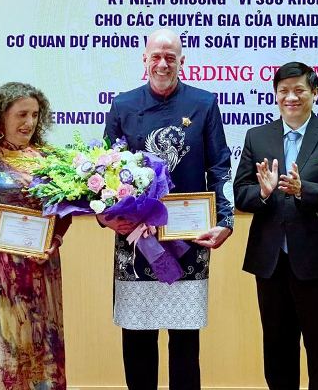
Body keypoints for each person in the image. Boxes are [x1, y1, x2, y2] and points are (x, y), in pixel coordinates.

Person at [101, 28, 233, 390]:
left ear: (182, 61)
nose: (162, 64)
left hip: (188, 236)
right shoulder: (123, 105)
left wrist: (225, 220)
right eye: (156, 57)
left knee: (185, 342)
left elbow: (219, 166)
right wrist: (109, 216)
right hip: (136, 237)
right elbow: (105, 168)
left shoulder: (204, 103)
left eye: (170, 57)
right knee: (137, 339)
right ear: (144, 59)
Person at [234, 62, 318, 390]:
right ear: (275, 95)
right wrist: (263, 192)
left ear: (314, 93)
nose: (291, 97)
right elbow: (240, 193)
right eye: (283, 91)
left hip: (317, 260)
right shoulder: (257, 136)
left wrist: (304, 190)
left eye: (299, 90)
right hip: (270, 260)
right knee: (276, 348)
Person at [0, 82, 71, 390]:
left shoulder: (51, 160)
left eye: (35, 115)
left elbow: (64, 211)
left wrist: (55, 240)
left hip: (42, 267)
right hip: (0, 269)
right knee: (3, 348)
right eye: (21, 114)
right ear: (1, 117)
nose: (29, 122)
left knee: (41, 346)